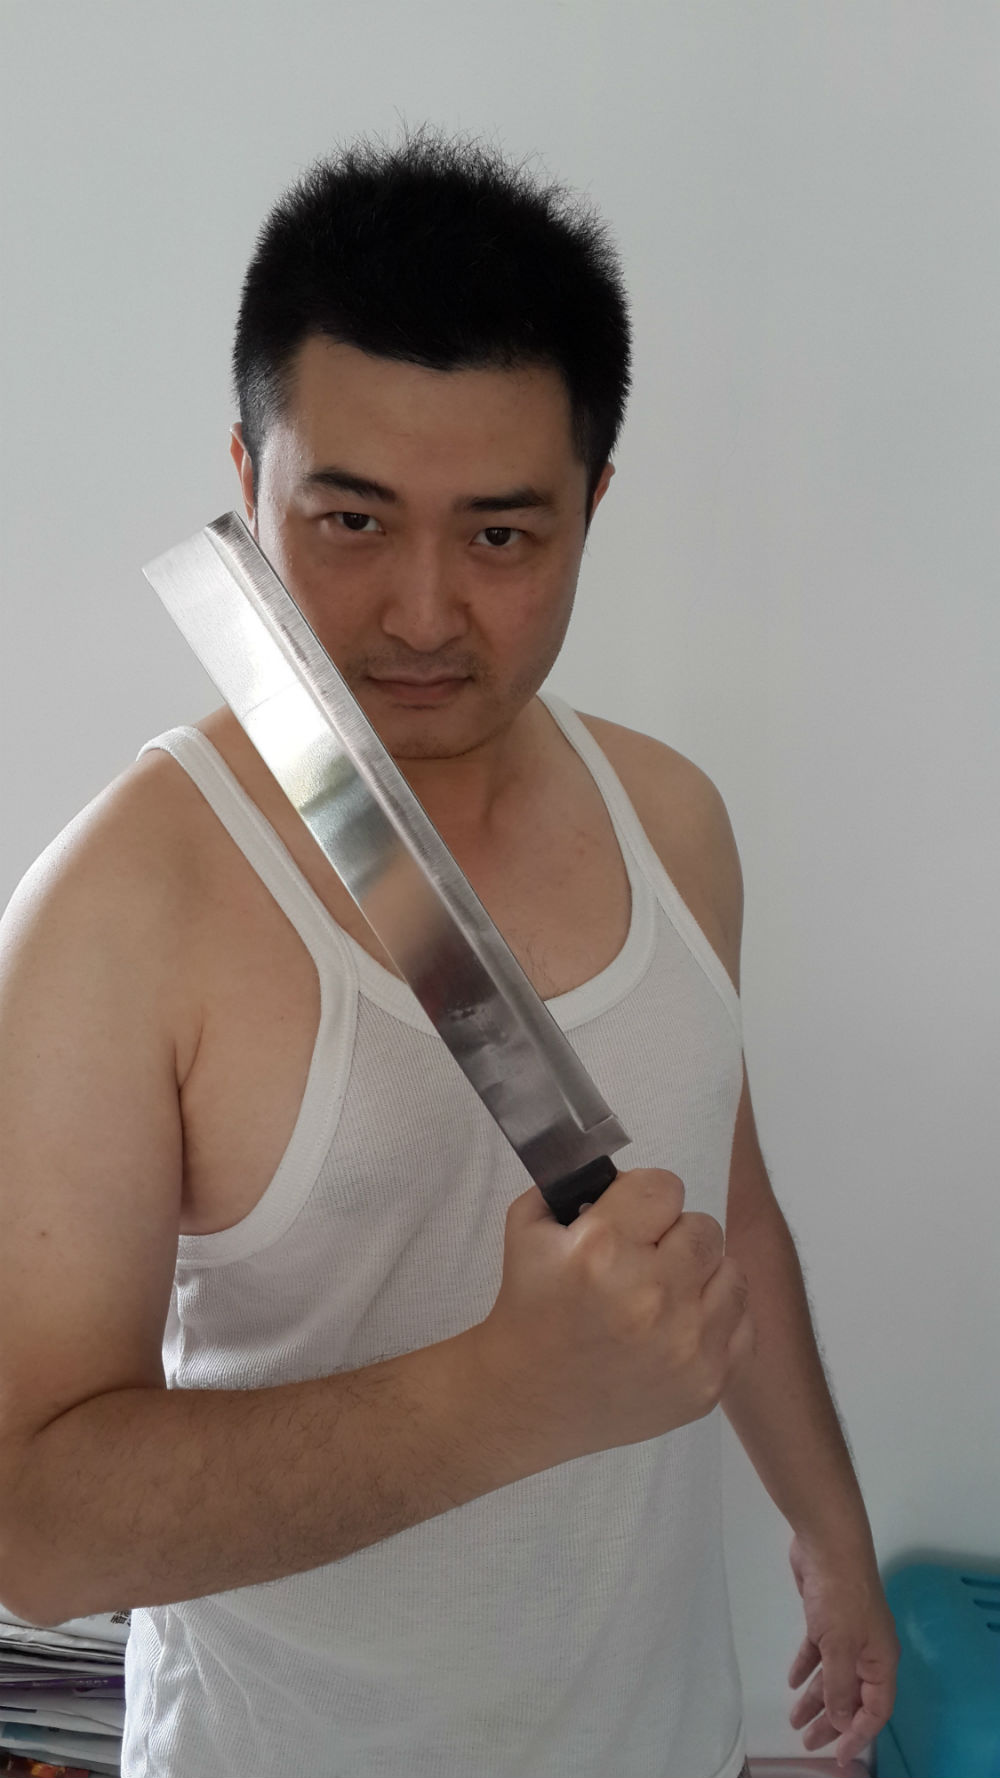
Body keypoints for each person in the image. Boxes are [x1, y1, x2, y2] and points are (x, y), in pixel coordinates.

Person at [0, 126, 898, 1778]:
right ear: (248, 475)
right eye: (349, 518)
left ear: (592, 505)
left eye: (501, 535)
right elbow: (31, 1528)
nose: (420, 613)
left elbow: (727, 1213)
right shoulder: (120, 909)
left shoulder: (675, 823)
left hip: (658, 1737)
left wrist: (830, 1528)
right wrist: (500, 1395)